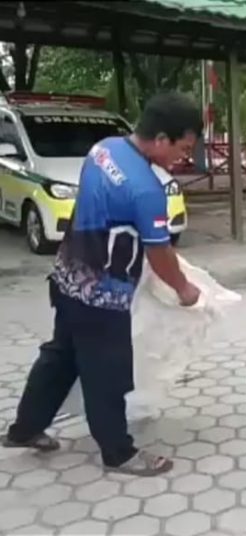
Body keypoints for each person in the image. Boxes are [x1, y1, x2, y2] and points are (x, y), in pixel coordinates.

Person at [1, 92, 204, 476]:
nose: (183, 157)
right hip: (101, 295)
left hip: (67, 278)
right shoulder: (146, 189)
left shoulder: (103, 150)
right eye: (183, 147)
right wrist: (184, 289)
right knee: (105, 373)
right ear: (161, 139)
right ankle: (118, 452)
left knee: (60, 357)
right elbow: (160, 254)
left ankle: (24, 430)